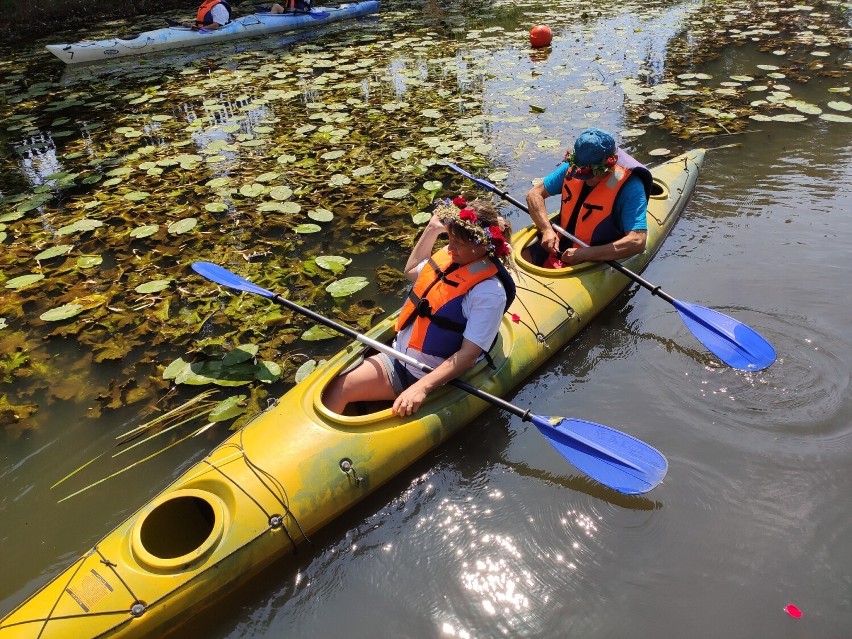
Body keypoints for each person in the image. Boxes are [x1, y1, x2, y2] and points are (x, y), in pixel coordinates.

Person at [323, 198, 515, 416]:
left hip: (421, 371)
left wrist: (421, 387)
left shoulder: (488, 292)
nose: (450, 248)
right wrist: (432, 229)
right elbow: (412, 270)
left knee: (341, 388)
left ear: (482, 245)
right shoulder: (454, 257)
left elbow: (468, 355)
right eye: (449, 238)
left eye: (458, 243)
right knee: (335, 383)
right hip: (400, 352)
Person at [523, 128, 654, 268]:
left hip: (596, 254)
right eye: (581, 174)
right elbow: (534, 194)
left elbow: (637, 241)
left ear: (610, 164)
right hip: (561, 241)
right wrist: (546, 230)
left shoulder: (631, 186)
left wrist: (586, 254)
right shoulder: (577, 165)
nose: (585, 179)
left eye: (591, 174)